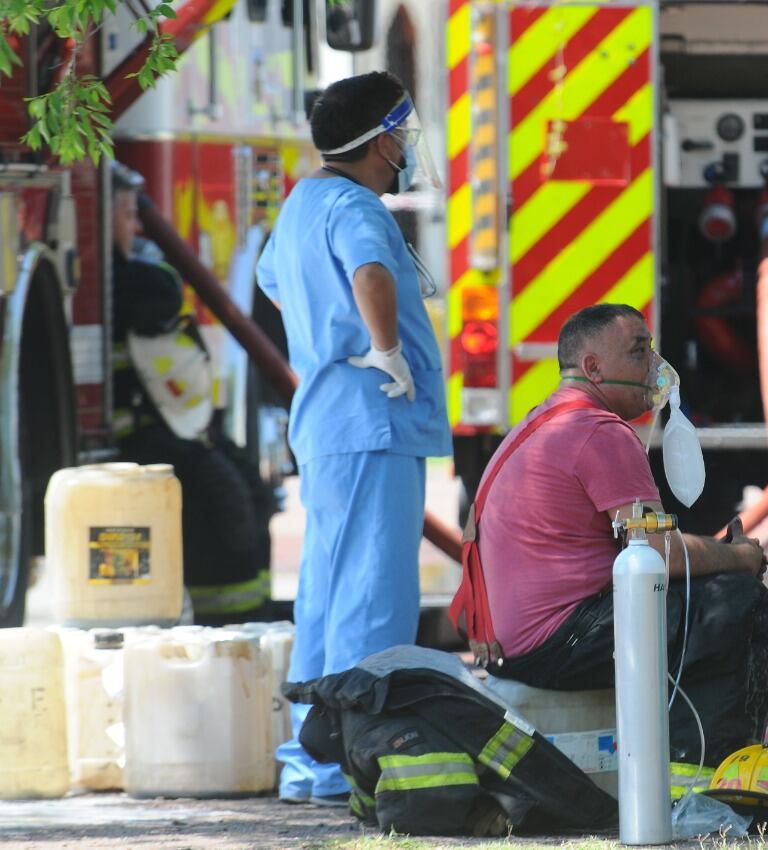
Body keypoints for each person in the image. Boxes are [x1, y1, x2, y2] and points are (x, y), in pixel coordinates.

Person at [452, 303, 768, 796]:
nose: (655, 367)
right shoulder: (599, 433)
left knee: (698, 593)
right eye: (638, 352)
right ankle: (704, 780)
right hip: (557, 644)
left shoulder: (540, 423)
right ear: (594, 368)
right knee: (736, 601)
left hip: (518, 647)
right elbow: (659, 554)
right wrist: (741, 558)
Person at [255, 71, 450, 805]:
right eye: (402, 129)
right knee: (373, 594)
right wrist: (384, 347)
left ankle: (311, 761)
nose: (408, 142)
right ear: (384, 139)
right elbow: (370, 270)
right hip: (373, 415)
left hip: (329, 417)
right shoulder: (355, 205)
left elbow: (275, 282)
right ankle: (356, 759)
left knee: (326, 593)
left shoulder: (303, 203)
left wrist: (323, 330)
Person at [109, 163, 275, 623]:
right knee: (219, 500)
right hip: (141, 437)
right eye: (125, 214)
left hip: (172, 428)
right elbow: (152, 296)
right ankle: (221, 626)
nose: (133, 225)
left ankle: (253, 619)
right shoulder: (112, 283)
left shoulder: (137, 273)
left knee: (249, 488)